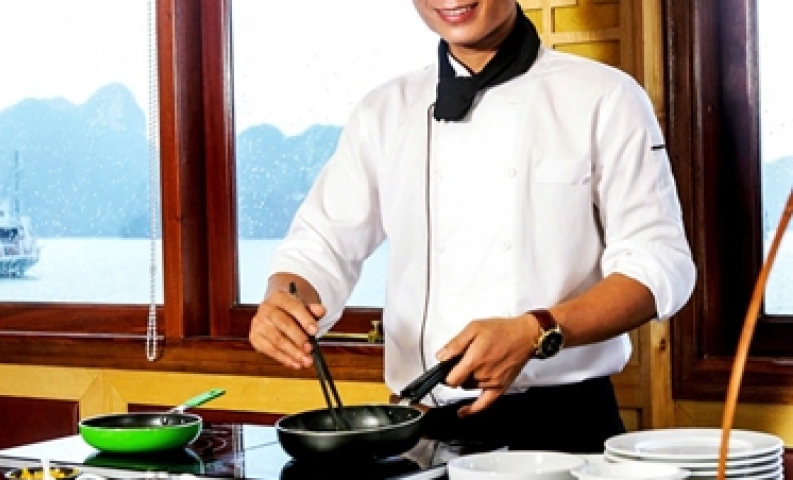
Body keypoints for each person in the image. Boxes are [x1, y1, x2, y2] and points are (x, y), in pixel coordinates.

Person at [249, 0, 695, 454]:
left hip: (561, 431)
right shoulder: (383, 111)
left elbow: (660, 266)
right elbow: (318, 246)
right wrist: (286, 300)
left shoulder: (606, 96)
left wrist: (536, 330)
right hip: (420, 433)